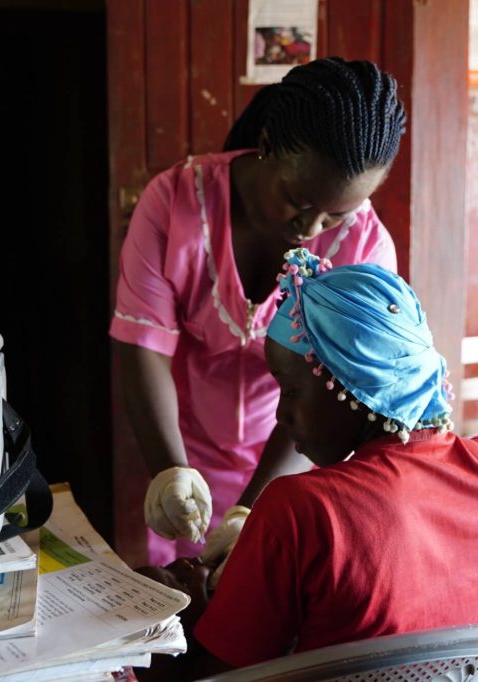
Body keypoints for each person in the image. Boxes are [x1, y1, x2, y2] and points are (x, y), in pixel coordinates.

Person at [137, 249, 478, 680]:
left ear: (350, 381)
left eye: (291, 390)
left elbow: (216, 676)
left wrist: (184, 611)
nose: (281, 416)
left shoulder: (302, 508)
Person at [110, 57, 406, 565]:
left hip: (298, 456)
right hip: (182, 444)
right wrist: (171, 471)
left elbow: (330, 388)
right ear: (267, 145)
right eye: (297, 199)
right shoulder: (175, 203)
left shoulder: (364, 248)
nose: (311, 228)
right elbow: (143, 345)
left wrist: (254, 511)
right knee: (183, 588)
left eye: (337, 214)